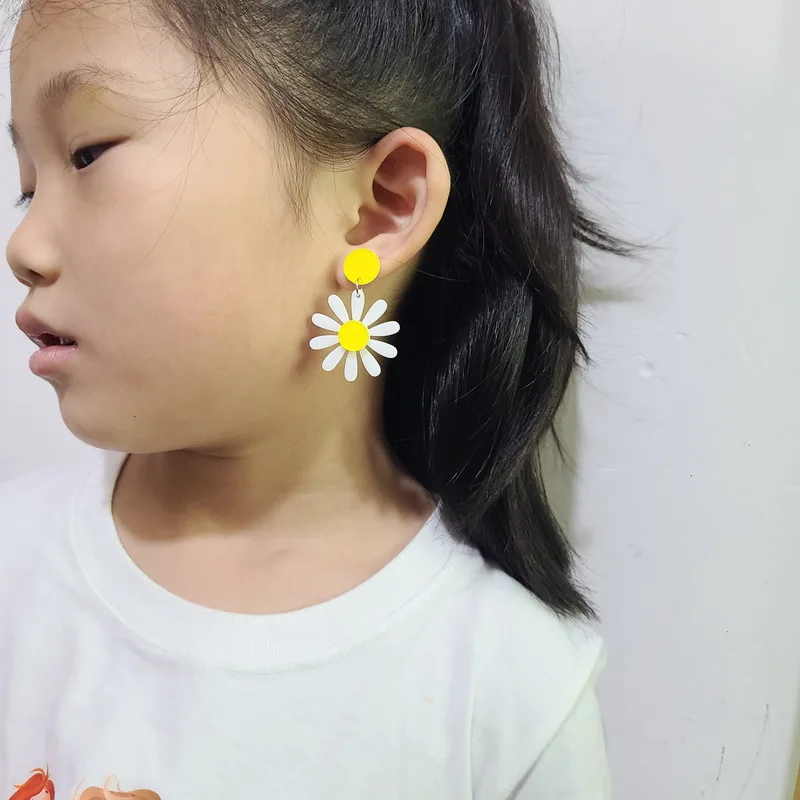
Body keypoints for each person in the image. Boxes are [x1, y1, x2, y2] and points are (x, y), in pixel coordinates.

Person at [0, 0, 628, 796]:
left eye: (88, 154)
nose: (23, 246)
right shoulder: (12, 567)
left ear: (379, 207)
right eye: (29, 187)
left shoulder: (507, 691)